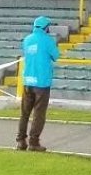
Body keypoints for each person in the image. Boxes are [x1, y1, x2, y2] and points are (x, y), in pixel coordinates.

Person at [18, 16, 60, 152]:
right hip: (41, 82)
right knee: (39, 114)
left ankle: (20, 141)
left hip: (27, 81)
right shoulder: (48, 40)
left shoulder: (27, 39)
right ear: (46, 27)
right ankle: (34, 142)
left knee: (24, 113)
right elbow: (56, 56)